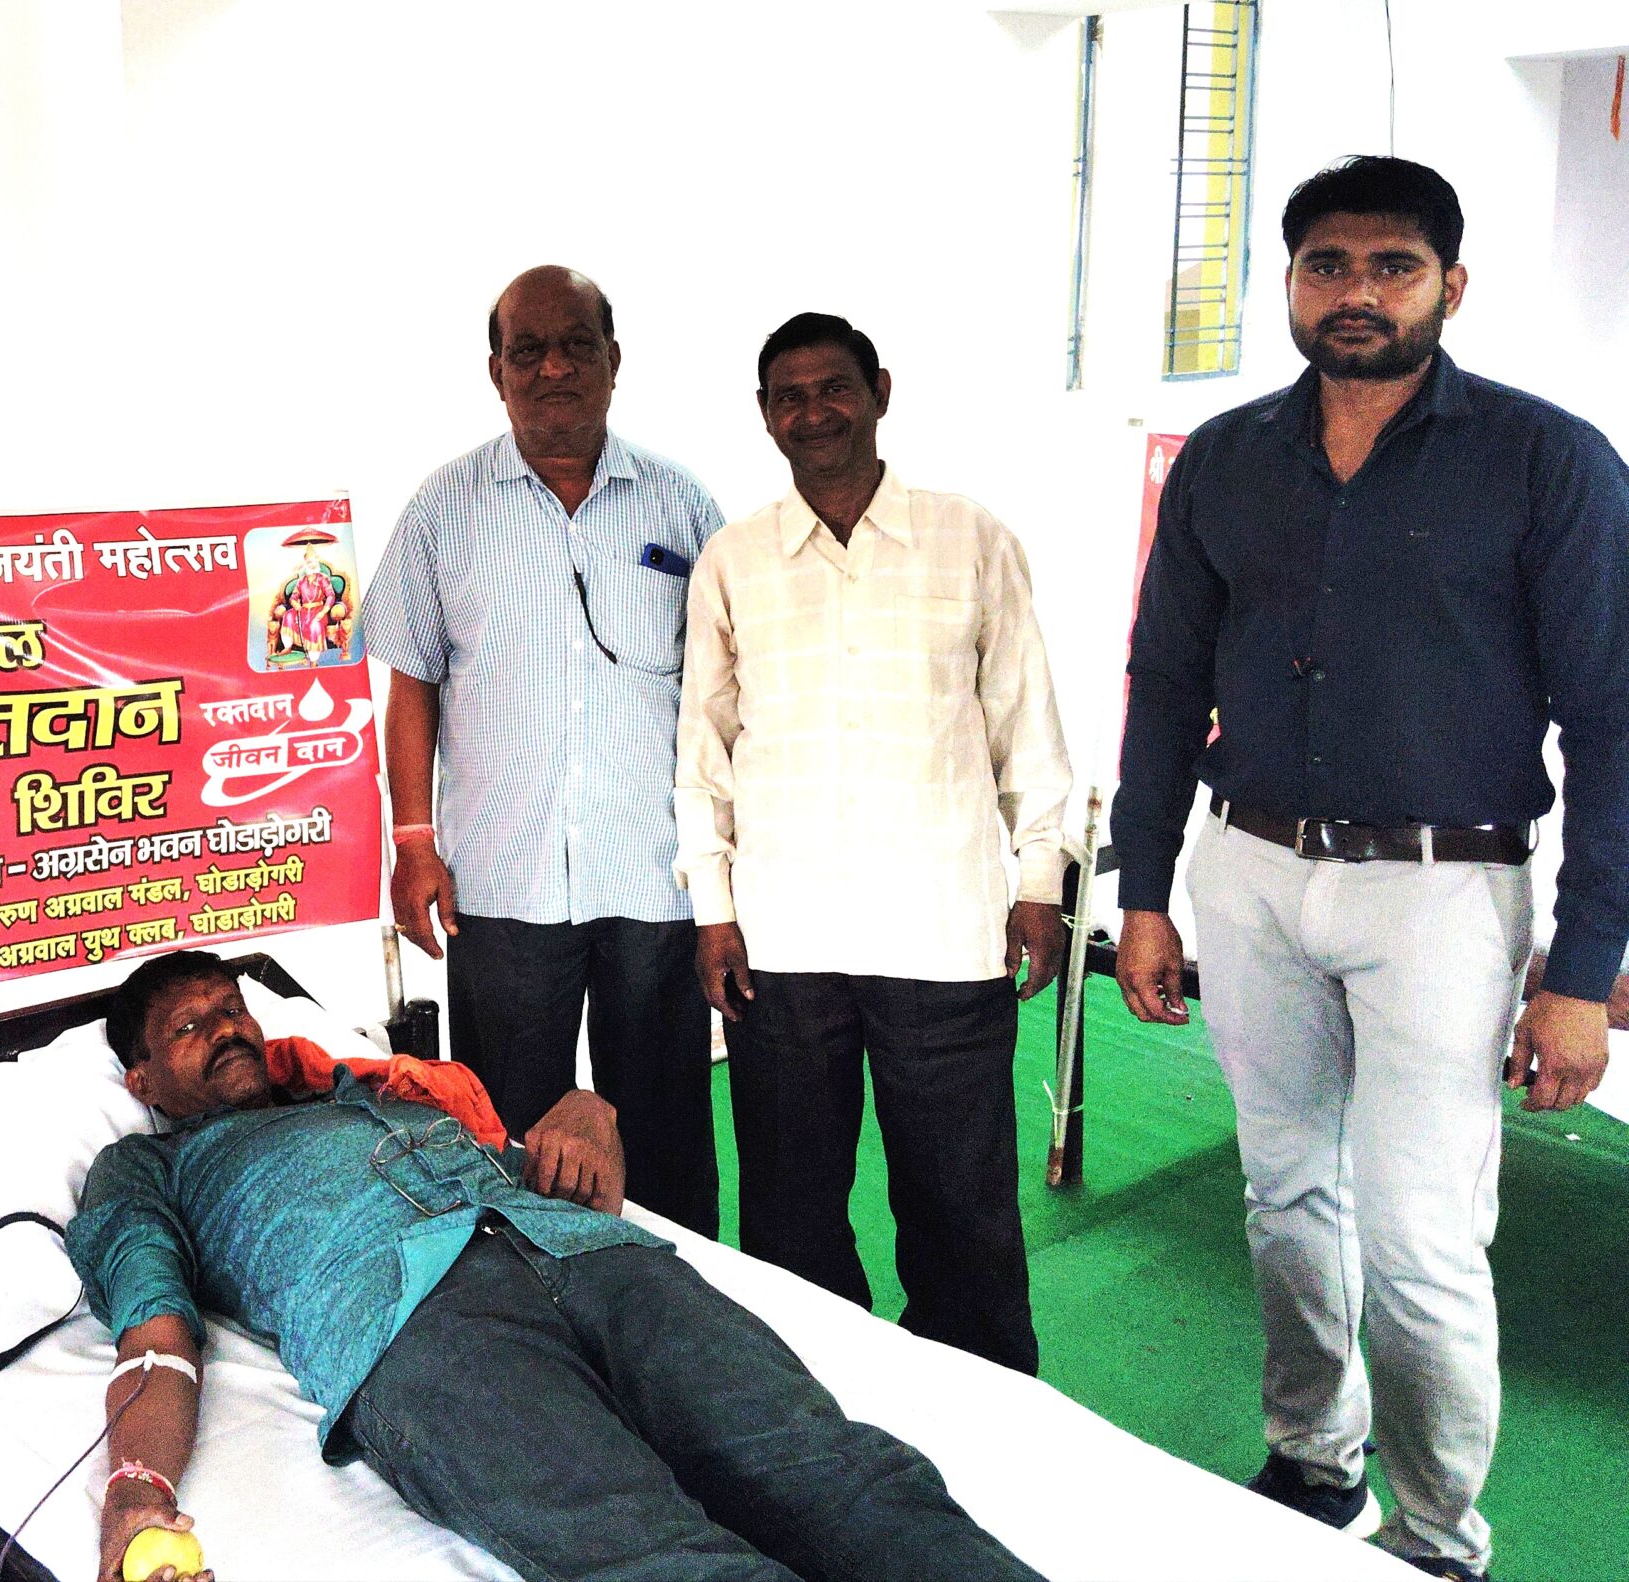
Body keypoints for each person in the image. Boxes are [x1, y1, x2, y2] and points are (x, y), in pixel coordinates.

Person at [1112, 155, 1627, 1582]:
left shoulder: (1547, 462)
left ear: (1449, 286)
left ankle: (1438, 1534)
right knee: (1285, 1194)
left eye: (1391, 265)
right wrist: (1142, 890)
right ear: (1288, 283)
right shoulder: (1226, 460)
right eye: (1325, 264)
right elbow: (1164, 684)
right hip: (1251, 872)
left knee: (1420, 1240)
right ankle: (1313, 1458)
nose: (1356, 291)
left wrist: (1581, 970)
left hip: (1440, 894)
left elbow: (1612, 722)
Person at [67, 951, 1045, 1582]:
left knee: (846, 1478)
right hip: (413, 1330)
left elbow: (538, 1150)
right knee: (648, 1553)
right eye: (189, 1026)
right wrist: (136, 1490)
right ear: (142, 1079)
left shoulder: (375, 1093)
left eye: (231, 1009)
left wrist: (587, 1106)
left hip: (598, 1259)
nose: (228, 1028)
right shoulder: (150, 1167)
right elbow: (156, 1331)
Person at [674, 313, 1072, 1376]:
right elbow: (702, 749)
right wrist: (712, 908)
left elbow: (1026, 723)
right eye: (789, 398)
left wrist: (1040, 877)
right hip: (784, 939)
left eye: (833, 388)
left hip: (941, 933)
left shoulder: (969, 537)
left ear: (879, 391)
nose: (814, 413)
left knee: (959, 1209)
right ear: (765, 418)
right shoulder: (734, 560)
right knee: (790, 1207)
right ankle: (818, 1407)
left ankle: (985, 1410)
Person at [361, 264, 723, 1238]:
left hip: (655, 875)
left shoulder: (682, 506)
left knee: (664, 1129)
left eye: (575, 346)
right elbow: (410, 681)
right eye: (528, 351)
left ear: (614, 360)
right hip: (502, 879)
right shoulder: (443, 509)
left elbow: (727, 688)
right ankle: (527, 1294)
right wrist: (412, 841)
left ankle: (679, 1289)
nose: (553, 367)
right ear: (497, 372)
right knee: (506, 1131)